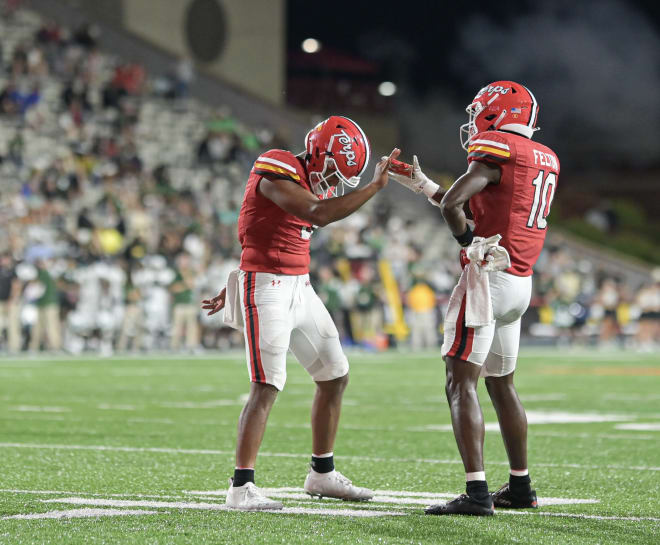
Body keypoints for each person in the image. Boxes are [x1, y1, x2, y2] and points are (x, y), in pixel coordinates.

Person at [202, 116, 400, 510]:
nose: (333, 181)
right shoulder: (277, 165)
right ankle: (241, 486)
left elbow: (267, 228)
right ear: (317, 151)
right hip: (269, 289)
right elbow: (317, 213)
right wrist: (375, 187)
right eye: (332, 170)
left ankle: (321, 474)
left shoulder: (307, 177)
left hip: (300, 286)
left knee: (335, 375)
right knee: (267, 385)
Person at [390, 81, 559, 516]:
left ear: (497, 112)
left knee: (459, 382)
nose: (473, 122)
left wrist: (468, 243)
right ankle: (521, 487)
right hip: (520, 282)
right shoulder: (544, 156)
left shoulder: (497, 146)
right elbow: (476, 202)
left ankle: (477, 492)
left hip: (488, 280)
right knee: (502, 384)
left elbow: (454, 207)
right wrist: (425, 185)